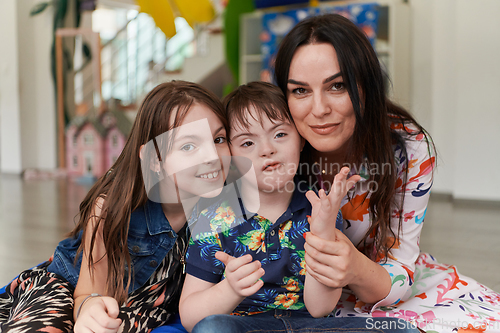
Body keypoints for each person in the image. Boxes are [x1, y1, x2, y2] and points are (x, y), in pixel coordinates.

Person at [273, 13, 500, 332]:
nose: (319, 109)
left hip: (381, 283)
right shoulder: (272, 142)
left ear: (366, 85)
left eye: (337, 86)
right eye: (300, 91)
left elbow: (399, 267)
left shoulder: (407, 146)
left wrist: (352, 268)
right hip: (285, 296)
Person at [179, 81, 420, 333]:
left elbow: (320, 308)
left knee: (400, 329)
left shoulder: (318, 207)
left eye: (280, 134)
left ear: (301, 140)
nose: (267, 150)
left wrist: (323, 233)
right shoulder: (212, 216)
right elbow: (190, 315)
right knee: (212, 328)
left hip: (311, 327)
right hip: (244, 326)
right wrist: (229, 289)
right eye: (248, 143)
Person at [0, 80, 231, 333]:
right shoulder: (110, 208)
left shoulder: (224, 212)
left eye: (219, 139)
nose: (211, 156)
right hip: (70, 291)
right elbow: (86, 292)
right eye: (189, 146)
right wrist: (89, 308)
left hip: (139, 311)